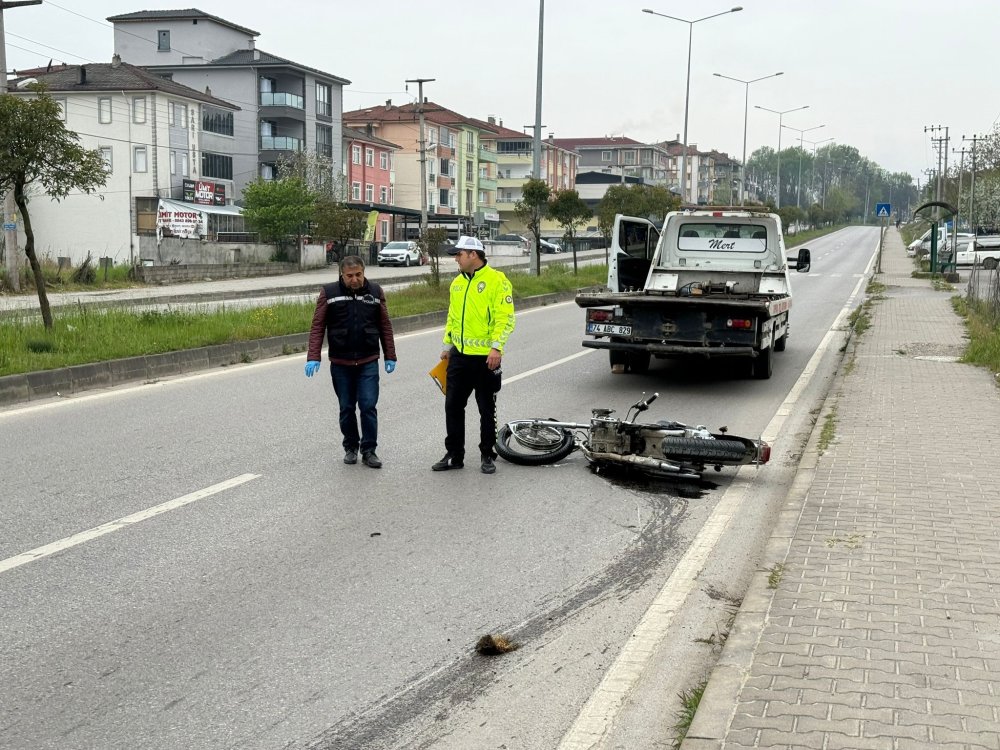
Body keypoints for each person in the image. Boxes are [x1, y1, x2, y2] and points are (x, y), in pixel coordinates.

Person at [432, 235, 515, 475]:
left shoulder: (497, 280)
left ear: (473, 255)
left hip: (485, 358)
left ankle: (487, 454)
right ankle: (454, 454)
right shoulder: (457, 283)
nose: (456, 258)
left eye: (459, 254)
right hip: (459, 356)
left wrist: (496, 348)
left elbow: (505, 317)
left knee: (486, 408)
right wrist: (448, 347)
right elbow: (452, 318)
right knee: (452, 406)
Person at [305, 255, 396, 468]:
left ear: (363, 272)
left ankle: (369, 450)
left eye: (358, 275)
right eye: (349, 276)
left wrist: (390, 355)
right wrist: (313, 357)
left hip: (368, 360)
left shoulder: (375, 292)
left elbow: (385, 325)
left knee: (368, 406)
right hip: (340, 362)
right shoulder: (329, 293)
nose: (354, 279)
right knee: (346, 408)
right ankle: (351, 447)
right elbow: (318, 326)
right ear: (341, 275)